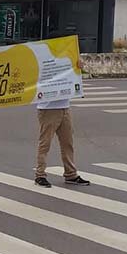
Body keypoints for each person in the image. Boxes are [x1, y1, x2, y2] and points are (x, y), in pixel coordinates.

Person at [34, 59, 90, 188]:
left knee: (67, 143)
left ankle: (71, 174)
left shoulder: (67, 58)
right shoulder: (44, 59)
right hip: (47, 108)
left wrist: (78, 67)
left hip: (65, 106)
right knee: (45, 143)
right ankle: (40, 175)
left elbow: (72, 77)